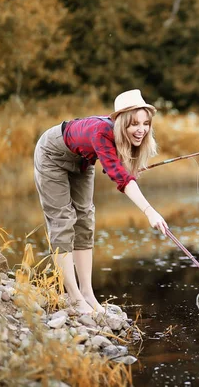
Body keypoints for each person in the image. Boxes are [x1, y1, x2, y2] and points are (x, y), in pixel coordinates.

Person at [34, 89, 168, 314]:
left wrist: (126, 165)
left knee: (85, 219)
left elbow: (118, 167)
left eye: (145, 123)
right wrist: (149, 211)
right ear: (122, 122)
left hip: (83, 162)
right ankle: (74, 297)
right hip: (52, 155)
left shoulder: (122, 137)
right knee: (63, 219)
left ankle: (87, 293)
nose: (141, 130)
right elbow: (122, 179)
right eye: (134, 124)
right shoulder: (101, 132)